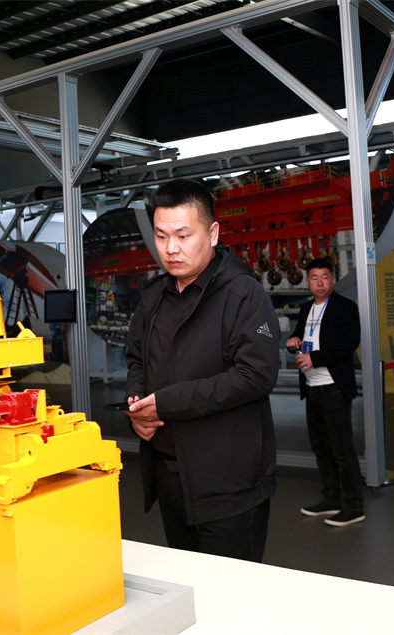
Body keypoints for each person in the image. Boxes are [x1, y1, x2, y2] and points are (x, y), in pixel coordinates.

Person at [124, 178, 280, 562]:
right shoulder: (154, 296)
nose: (171, 249)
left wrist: (166, 403)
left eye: (183, 235)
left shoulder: (242, 294)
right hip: (171, 479)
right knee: (187, 585)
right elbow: (137, 358)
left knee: (231, 592)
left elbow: (256, 375)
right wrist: (137, 406)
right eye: (161, 236)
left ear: (212, 234)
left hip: (228, 487)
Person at [286, 258, 364, 527]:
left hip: (333, 387)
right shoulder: (307, 308)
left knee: (342, 450)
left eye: (324, 277)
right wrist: (293, 342)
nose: (319, 282)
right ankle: (331, 499)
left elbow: (350, 342)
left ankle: (353, 506)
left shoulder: (345, 307)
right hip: (312, 388)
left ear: (333, 279)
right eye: (314, 277)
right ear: (308, 281)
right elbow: (299, 337)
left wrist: (315, 358)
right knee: (321, 449)